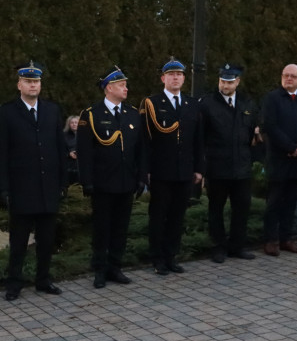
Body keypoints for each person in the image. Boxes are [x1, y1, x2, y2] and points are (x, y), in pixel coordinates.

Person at [0, 61, 69, 301]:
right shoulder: (7, 112)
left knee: (46, 240)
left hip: (47, 188)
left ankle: (43, 280)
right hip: (21, 189)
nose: (33, 85)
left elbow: (60, 147)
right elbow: (2, 153)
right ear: (19, 85)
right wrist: (3, 188)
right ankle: (14, 283)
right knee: (18, 242)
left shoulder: (51, 110)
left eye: (36, 81)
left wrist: (62, 182)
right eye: (28, 81)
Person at [76, 66, 145, 288]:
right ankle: (99, 270)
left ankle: (115, 267)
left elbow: (140, 150)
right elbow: (85, 152)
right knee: (102, 229)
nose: (126, 88)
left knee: (120, 228)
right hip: (102, 183)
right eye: (122, 85)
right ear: (109, 88)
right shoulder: (91, 115)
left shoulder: (132, 113)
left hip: (126, 182)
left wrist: (140, 177)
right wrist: (86, 180)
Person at [141, 57, 204, 274]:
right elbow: (145, 140)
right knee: (158, 216)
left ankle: (171, 256)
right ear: (163, 78)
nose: (175, 78)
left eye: (179, 74)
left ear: (184, 78)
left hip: (184, 170)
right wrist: (145, 169)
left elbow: (198, 139)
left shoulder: (192, 104)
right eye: (171, 74)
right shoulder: (152, 103)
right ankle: (157, 258)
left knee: (177, 216)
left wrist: (198, 168)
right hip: (160, 171)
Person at [198, 63, 258, 263]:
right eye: (223, 81)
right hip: (217, 167)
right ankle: (218, 247)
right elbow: (200, 137)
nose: (225, 85)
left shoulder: (246, 103)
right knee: (216, 209)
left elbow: (250, 134)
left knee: (241, 208)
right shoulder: (207, 103)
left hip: (241, 166)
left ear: (237, 82)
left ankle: (237, 246)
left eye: (230, 82)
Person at [260, 63, 297, 256]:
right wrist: (291, 147)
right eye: (286, 75)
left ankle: (287, 238)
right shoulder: (272, 98)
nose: (289, 79)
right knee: (274, 202)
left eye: (293, 76)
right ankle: (270, 240)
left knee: (291, 202)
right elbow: (270, 126)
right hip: (279, 159)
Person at [64, 115, 80, 185]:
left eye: (76, 122)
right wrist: (69, 153)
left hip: (81, 166)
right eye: (72, 123)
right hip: (68, 166)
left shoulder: (86, 135)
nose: (74, 124)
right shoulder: (63, 135)